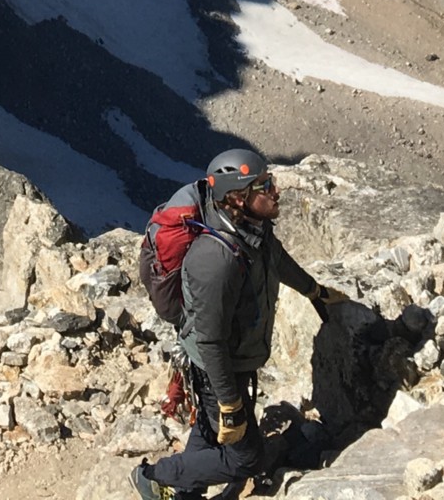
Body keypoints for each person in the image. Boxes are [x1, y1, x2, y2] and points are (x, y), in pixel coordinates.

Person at [134, 147, 347, 500]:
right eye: (264, 186)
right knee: (245, 459)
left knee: (208, 431)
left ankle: (187, 493)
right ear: (237, 197)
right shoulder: (216, 258)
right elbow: (210, 340)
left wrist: (315, 291)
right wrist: (229, 403)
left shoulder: (252, 231)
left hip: (235, 360)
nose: (275, 190)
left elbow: (277, 260)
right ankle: (153, 476)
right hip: (217, 368)